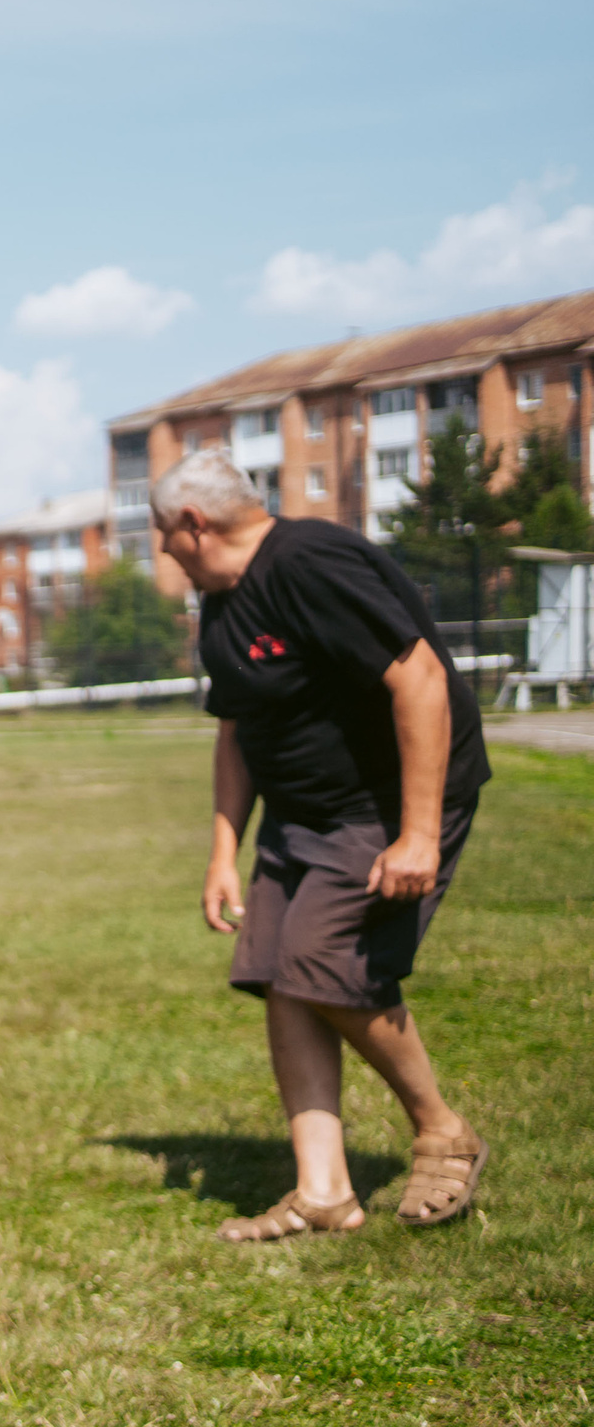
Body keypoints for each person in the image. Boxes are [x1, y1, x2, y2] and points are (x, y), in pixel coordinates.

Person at [155, 449, 492, 1243]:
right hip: (301, 816)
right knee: (280, 972)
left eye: (164, 537)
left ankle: (444, 1132)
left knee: (326, 964)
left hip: (382, 803)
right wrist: (221, 849)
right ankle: (324, 1191)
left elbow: (419, 677)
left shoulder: (309, 562)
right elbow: (236, 726)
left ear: (194, 525)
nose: (164, 554)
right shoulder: (223, 599)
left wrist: (416, 833)